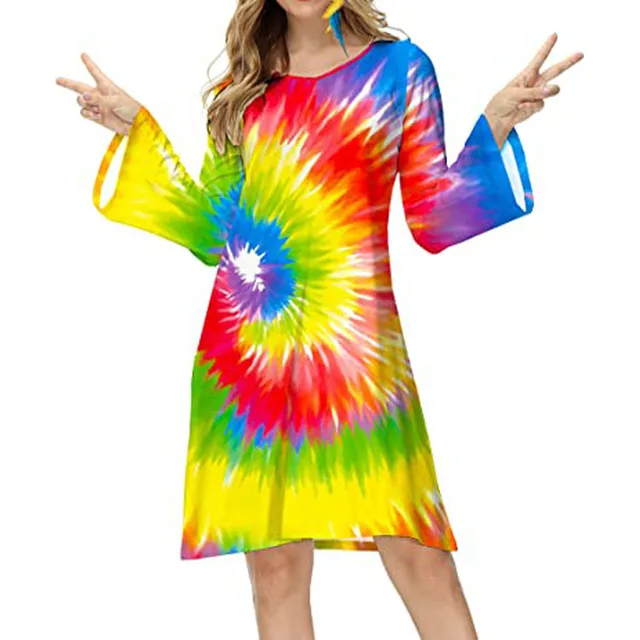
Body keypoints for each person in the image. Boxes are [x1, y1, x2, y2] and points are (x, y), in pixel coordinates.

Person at [56, 1, 583, 638]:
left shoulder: (400, 70)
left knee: (418, 556)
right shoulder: (241, 87)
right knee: (275, 571)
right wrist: (137, 131)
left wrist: (493, 126)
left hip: (359, 352)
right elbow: (213, 232)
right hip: (251, 354)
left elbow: (432, 217)